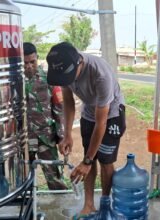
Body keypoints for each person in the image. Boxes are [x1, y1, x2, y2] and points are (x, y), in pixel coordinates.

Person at [46, 42, 126, 216]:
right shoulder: (65, 66)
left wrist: (87, 161)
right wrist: (67, 134)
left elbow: (101, 123)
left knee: (105, 160)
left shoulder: (101, 75)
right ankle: (88, 204)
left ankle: (105, 204)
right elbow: (68, 102)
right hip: (89, 112)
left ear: (79, 64)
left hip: (111, 114)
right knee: (88, 157)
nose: (67, 82)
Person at [23, 42, 67, 190]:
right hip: (23, 140)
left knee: (55, 179)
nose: (29, 66)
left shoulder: (49, 78)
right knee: (23, 180)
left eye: (32, 62)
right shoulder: (14, 82)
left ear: (37, 59)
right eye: (25, 63)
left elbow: (59, 108)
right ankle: (29, 208)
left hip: (45, 137)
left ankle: (61, 208)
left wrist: (62, 137)